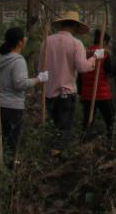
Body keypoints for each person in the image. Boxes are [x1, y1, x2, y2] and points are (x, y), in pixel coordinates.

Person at [41, 11, 99, 146]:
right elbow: (83, 67)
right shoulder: (76, 43)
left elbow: (41, 69)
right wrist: (95, 58)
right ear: (75, 27)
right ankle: (62, 154)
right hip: (66, 93)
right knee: (65, 129)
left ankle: (52, 153)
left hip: (49, 92)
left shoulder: (47, 41)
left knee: (53, 126)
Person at [0, 26, 46, 166]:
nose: (26, 39)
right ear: (19, 42)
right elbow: (20, 84)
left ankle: (4, 163)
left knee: (3, 138)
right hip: (13, 106)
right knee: (12, 139)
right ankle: (10, 167)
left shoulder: (0, 58)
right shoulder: (18, 61)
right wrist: (39, 79)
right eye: (24, 37)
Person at [80, 29, 116, 142]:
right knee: (110, 120)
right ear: (105, 42)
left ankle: (84, 141)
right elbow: (111, 72)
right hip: (102, 94)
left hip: (87, 94)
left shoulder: (86, 52)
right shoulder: (105, 54)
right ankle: (111, 142)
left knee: (87, 121)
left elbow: (80, 74)